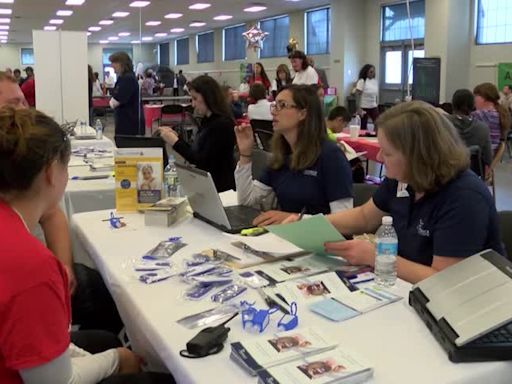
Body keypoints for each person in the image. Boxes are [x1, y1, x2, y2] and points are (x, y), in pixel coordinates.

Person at [0, 106, 174, 384]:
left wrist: (101, 357)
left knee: (102, 340)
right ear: (50, 173)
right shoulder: (31, 266)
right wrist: (117, 360)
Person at [285, 101, 503, 284]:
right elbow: (364, 217)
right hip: (405, 289)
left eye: (387, 153)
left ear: (418, 156)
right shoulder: (403, 179)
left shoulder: (464, 198)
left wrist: (375, 257)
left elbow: (442, 280)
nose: (379, 158)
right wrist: (308, 223)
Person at [0, 71, 123, 334]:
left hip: (35, 268)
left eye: (24, 101)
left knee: (103, 287)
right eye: (13, 104)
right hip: (22, 278)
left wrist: (63, 267)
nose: (24, 109)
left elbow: (52, 215)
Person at [235, 84, 353, 226]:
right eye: (274, 105)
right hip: (288, 240)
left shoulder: (331, 156)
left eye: (282, 105)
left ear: (302, 113)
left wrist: (293, 219)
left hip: (322, 244)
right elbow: (246, 201)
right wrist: (245, 154)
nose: (273, 112)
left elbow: (344, 221)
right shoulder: (282, 155)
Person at [159, 75, 236, 192]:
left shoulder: (222, 125)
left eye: (195, 99)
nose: (193, 105)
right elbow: (198, 152)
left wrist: (175, 142)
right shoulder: (208, 121)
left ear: (207, 97)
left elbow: (200, 160)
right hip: (208, 184)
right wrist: (177, 138)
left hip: (220, 188)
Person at [448, 89, 492, 171]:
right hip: (474, 178)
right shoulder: (483, 129)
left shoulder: (441, 124)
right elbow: (488, 159)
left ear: (453, 104)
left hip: (445, 177)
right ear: (473, 106)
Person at [109, 51, 144, 138]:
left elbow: (114, 102)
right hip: (125, 120)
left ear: (121, 64)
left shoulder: (127, 79)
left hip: (129, 122)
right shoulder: (124, 78)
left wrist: (113, 99)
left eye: (114, 62)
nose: (112, 65)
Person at [472, 82, 510, 152]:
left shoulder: (481, 115)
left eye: (475, 96)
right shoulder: (497, 113)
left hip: (479, 156)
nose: (474, 99)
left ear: (484, 97)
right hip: (490, 154)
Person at [353, 64, 379, 131]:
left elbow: (375, 95)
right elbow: (357, 95)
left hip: (373, 106)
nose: (372, 73)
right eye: (370, 72)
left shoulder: (375, 82)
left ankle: (375, 135)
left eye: (373, 72)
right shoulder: (362, 81)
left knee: (378, 123)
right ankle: (362, 138)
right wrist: (358, 108)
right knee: (363, 125)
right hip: (364, 107)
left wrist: (376, 103)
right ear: (366, 72)